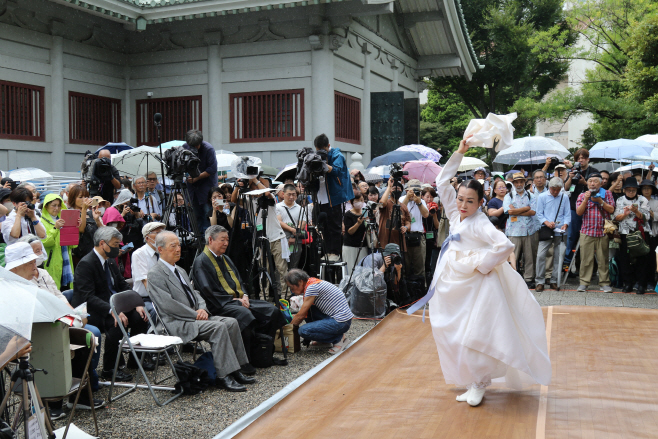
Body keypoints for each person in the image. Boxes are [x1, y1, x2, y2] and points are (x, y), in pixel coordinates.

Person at [407, 137, 551, 408]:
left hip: (477, 286)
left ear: (480, 202)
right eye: (460, 199)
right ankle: (471, 378)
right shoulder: (455, 212)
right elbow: (441, 183)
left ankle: (479, 382)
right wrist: (459, 152)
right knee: (450, 331)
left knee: (475, 334)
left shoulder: (480, 221)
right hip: (453, 284)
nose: (462, 205)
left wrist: (479, 263)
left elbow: (504, 245)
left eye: (470, 201)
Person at [147, 231, 255, 392]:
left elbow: (196, 293)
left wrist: (202, 308)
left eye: (179, 245)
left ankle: (235, 369)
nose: (178, 249)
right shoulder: (155, 274)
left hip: (195, 316)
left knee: (232, 322)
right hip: (179, 322)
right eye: (173, 246)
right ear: (160, 249)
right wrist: (195, 314)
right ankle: (223, 376)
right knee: (219, 327)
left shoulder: (180, 270)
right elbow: (167, 305)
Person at [191, 225, 286, 363]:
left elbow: (240, 281)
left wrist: (245, 295)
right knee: (244, 315)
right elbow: (209, 291)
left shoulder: (225, 258)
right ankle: (244, 360)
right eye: (222, 240)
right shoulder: (201, 262)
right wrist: (236, 301)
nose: (226, 243)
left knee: (271, 310)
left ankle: (262, 354)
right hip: (218, 305)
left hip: (236, 301)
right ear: (210, 240)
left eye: (227, 239)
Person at [70, 227, 153, 383]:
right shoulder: (86, 264)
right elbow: (88, 296)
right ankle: (110, 368)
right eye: (115, 244)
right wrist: (112, 310)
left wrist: (137, 302)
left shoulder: (109, 261)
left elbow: (122, 285)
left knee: (140, 317)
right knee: (116, 324)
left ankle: (135, 361)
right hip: (92, 310)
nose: (118, 248)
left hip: (111, 304)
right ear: (103, 243)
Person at [232, 176, 288, 299]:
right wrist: (238, 185)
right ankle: (264, 297)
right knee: (264, 269)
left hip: (276, 237)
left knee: (282, 269)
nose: (257, 185)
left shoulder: (270, 198)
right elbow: (234, 200)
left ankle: (285, 296)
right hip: (261, 238)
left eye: (262, 183)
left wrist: (255, 180)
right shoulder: (250, 201)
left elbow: (267, 192)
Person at [286, 269, 353, 355]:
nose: (292, 291)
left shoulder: (311, 288)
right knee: (310, 310)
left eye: (292, 288)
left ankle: (338, 339)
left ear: (300, 282)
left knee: (303, 331)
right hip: (340, 319)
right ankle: (324, 341)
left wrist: (287, 330)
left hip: (341, 322)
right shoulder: (313, 282)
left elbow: (301, 315)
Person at [314, 134, 354, 260]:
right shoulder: (316, 157)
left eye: (323, 150)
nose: (320, 153)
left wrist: (323, 164)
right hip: (321, 197)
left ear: (328, 146)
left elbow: (336, 170)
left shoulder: (337, 155)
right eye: (318, 150)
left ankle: (335, 253)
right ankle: (327, 252)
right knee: (324, 226)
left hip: (334, 197)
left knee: (335, 226)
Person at [576, 173, 615, 292]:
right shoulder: (582, 195)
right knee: (586, 259)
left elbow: (612, 209)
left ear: (601, 183)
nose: (592, 183)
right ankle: (584, 282)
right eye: (590, 181)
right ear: (587, 183)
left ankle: (604, 283)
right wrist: (586, 199)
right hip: (587, 231)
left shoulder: (607, 193)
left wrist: (600, 201)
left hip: (603, 232)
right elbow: (579, 212)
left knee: (603, 259)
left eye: (595, 181)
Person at [613, 178, 650, 294]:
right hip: (625, 233)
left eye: (633, 190)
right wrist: (625, 214)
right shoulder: (619, 200)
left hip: (640, 232)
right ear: (624, 190)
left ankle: (641, 284)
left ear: (636, 190)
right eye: (628, 190)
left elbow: (647, 217)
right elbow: (616, 218)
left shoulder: (642, 200)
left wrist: (637, 211)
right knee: (625, 259)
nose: (631, 192)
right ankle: (627, 283)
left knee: (642, 258)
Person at [534, 178, 570, 292]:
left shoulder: (564, 197)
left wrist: (566, 224)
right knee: (540, 255)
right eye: (554, 190)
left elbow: (567, 214)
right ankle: (540, 281)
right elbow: (539, 213)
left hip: (560, 230)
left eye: (558, 190)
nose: (555, 192)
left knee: (559, 256)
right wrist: (546, 222)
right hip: (547, 229)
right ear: (549, 188)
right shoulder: (543, 196)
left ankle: (554, 280)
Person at [503, 172, 538, 288]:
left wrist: (516, 210)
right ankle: (511, 279)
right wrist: (525, 209)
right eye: (516, 182)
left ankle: (529, 279)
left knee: (529, 257)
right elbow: (509, 212)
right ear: (513, 183)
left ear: (524, 182)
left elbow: (533, 212)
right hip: (514, 231)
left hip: (529, 230)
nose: (519, 184)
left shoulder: (531, 195)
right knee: (513, 256)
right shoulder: (509, 196)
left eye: (521, 181)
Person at [564, 149, 598, 265]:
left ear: (588, 159)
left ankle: (588, 266)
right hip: (574, 207)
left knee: (588, 238)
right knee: (572, 237)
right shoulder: (573, 171)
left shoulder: (593, 172)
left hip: (590, 209)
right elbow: (566, 188)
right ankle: (567, 265)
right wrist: (570, 177)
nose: (581, 160)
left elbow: (598, 190)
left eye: (583, 158)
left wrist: (585, 183)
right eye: (578, 158)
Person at [183, 130, 218, 234]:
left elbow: (212, 169)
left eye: (197, 145)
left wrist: (197, 177)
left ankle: (207, 241)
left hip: (207, 188)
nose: (195, 148)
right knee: (195, 216)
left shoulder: (208, 149)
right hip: (192, 189)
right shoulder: (185, 147)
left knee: (208, 215)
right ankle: (196, 240)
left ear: (201, 142)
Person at [131, 222, 166, 320]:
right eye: (157, 233)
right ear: (147, 238)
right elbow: (147, 282)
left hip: (163, 294)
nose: (162, 236)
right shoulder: (139, 254)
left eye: (163, 232)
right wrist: (163, 300)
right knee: (159, 311)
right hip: (145, 298)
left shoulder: (163, 252)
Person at [40, 194, 75, 289]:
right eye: (53, 205)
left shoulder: (64, 220)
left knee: (66, 291)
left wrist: (74, 228)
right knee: (54, 290)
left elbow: (73, 245)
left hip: (65, 262)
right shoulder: (40, 222)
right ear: (46, 206)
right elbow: (46, 242)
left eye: (59, 205)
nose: (57, 208)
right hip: (51, 263)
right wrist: (56, 228)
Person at [67, 185, 103, 265]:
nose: (84, 199)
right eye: (80, 197)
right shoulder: (70, 214)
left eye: (86, 196)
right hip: (81, 256)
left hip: (96, 252)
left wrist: (97, 220)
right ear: (73, 198)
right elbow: (81, 230)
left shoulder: (91, 213)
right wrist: (84, 209)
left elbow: (103, 231)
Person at [276, 184, 305, 270]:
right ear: (283, 194)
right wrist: (292, 229)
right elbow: (279, 221)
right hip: (282, 239)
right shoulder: (278, 207)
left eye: (293, 194)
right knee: (281, 266)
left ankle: (292, 283)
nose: (291, 197)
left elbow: (302, 223)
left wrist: (294, 235)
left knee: (293, 266)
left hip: (296, 240)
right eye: (289, 194)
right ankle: (281, 284)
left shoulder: (300, 208)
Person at [378, 177, 411, 251]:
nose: (396, 190)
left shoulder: (404, 206)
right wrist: (389, 186)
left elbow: (408, 222)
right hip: (384, 243)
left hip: (399, 244)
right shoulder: (386, 203)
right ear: (390, 191)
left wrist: (405, 227)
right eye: (394, 188)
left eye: (399, 188)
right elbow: (382, 203)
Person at [342, 191, 368, 275]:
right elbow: (349, 231)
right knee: (350, 270)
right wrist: (358, 223)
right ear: (352, 202)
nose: (359, 202)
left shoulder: (365, 213)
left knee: (363, 271)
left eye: (361, 200)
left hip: (363, 245)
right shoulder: (348, 214)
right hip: (350, 246)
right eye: (357, 201)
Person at [640, 179, 658, 280]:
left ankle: (651, 279)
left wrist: (650, 212)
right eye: (644, 188)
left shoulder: (656, 202)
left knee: (652, 257)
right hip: (641, 232)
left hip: (654, 232)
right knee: (641, 257)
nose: (646, 190)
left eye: (649, 188)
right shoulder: (638, 200)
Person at [421, 188, 441, 282]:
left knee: (430, 256)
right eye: (427, 197)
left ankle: (429, 276)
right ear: (422, 197)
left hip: (431, 235)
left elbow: (437, 226)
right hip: (421, 235)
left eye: (431, 197)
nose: (429, 199)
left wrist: (434, 214)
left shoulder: (435, 207)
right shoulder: (420, 207)